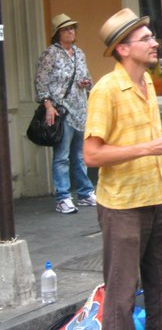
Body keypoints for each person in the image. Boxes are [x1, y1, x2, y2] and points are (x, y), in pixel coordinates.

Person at [83, 8, 162, 328]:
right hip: (122, 206)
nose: (154, 42)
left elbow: (141, 138)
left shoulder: (147, 80)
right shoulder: (106, 90)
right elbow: (91, 154)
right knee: (122, 294)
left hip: (154, 199)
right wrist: (149, 147)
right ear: (123, 48)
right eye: (145, 38)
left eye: (152, 36)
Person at [34, 13, 96, 214]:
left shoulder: (79, 53)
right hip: (62, 111)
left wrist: (86, 84)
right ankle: (63, 197)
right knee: (62, 156)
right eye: (66, 29)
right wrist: (48, 105)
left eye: (72, 28)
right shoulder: (50, 54)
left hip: (80, 110)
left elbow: (87, 78)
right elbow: (41, 81)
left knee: (80, 154)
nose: (71, 31)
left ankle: (85, 193)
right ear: (58, 33)